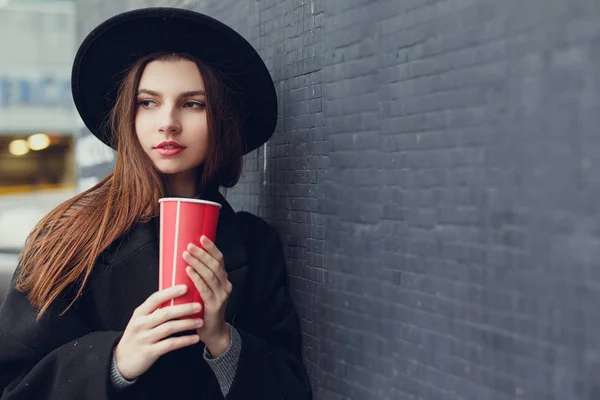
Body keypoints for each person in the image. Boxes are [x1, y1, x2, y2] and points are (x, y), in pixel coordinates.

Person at [0, 7, 312, 400]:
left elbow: (290, 388)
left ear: (223, 120)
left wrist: (222, 339)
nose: (168, 122)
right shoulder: (68, 234)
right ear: (127, 116)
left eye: (193, 104)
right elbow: (13, 382)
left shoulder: (254, 243)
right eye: (148, 102)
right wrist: (116, 361)